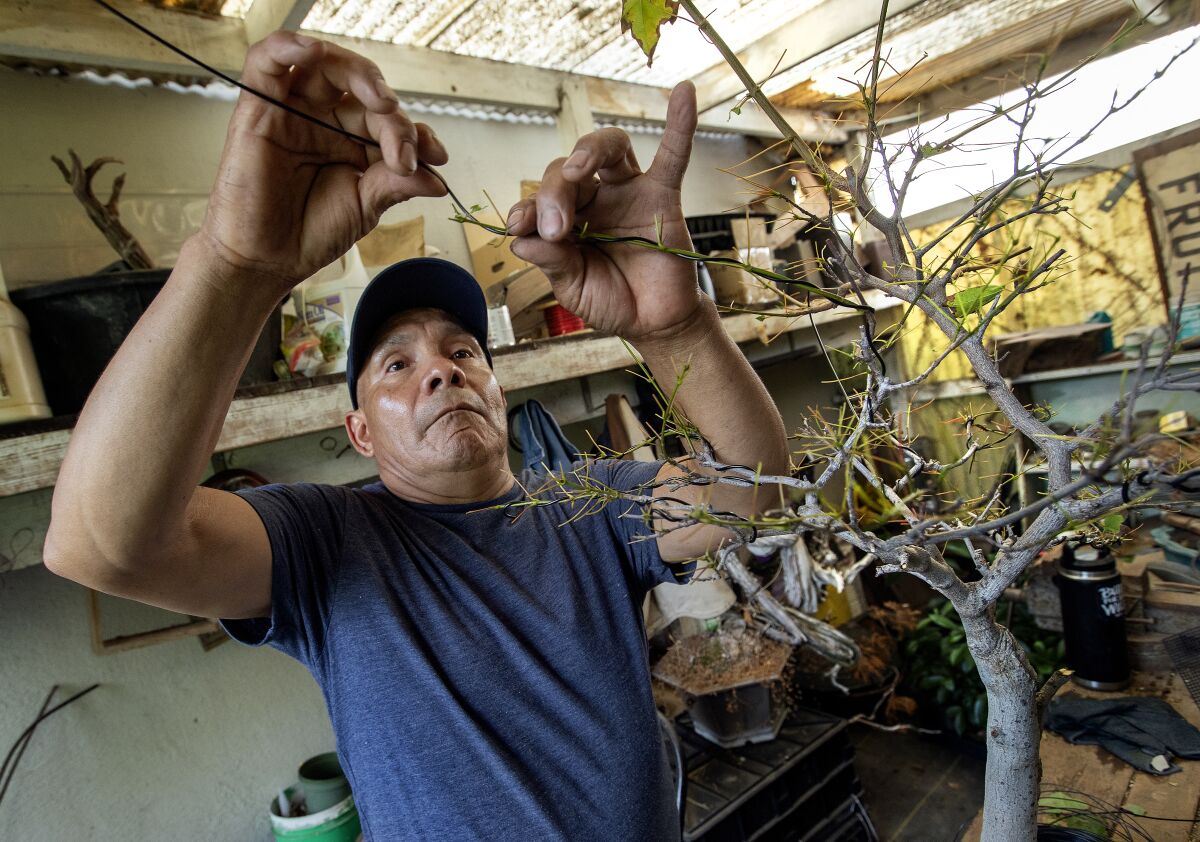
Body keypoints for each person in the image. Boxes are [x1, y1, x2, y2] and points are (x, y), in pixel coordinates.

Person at [44, 32, 789, 841]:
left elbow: (758, 496)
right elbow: (99, 545)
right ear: (359, 432)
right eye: (396, 365)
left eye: (462, 351)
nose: (441, 370)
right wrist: (234, 264)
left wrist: (679, 328)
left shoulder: (589, 502)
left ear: (497, 388)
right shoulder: (325, 541)